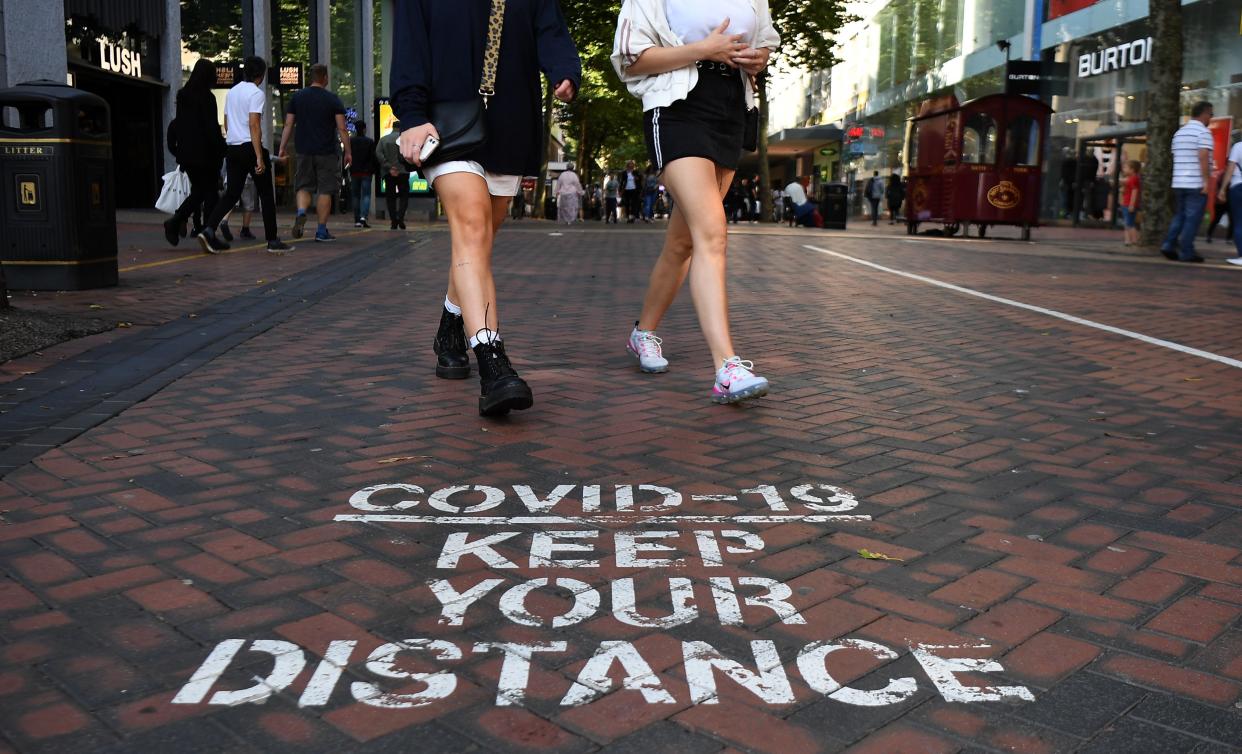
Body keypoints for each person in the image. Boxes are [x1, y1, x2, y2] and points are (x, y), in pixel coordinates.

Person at [392, 0, 580, 416]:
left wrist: (565, 71)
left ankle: (449, 328)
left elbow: (550, 30)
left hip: (510, 125)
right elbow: (409, 49)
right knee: (473, 227)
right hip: (444, 125)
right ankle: (493, 362)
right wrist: (410, 115)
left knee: (477, 243)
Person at [613, 0, 779, 404]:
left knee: (684, 242)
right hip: (676, 110)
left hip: (729, 111)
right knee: (712, 233)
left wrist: (757, 59)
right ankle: (726, 367)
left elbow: (765, 42)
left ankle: (644, 333)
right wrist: (704, 50)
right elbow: (631, 60)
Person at [198, 57, 289, 254]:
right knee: (265, 193)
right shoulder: (256, 94)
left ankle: (209, 230)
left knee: (232, 194)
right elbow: (254, 124)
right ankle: (272, 240)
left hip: (232, 147)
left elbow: (226, 121)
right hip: (249, 147)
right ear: (262, 75)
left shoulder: (232, 92)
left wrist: (234, 138)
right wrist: (258, 156)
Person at [278, 63, 352, 242]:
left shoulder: (298, 98)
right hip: (327, 151)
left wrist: (282, 147)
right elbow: (342, 128)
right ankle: (321, 231)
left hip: (303, 150)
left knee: (303, 186)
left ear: (311, 78)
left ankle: (302, 212)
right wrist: (348, 151)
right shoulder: (332, 99)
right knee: (325, 190)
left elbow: (289, 124)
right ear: (325, 78)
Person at [164, 60, 225, 247]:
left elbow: (181, 126)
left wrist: (179, 151)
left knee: (199, 191)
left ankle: (178, 221)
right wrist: (222, 149)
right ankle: (208, 233)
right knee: (210, 194)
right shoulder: (207, 98)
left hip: (188, 155)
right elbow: (211, 129)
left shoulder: (183, 95)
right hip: (206, 155)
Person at [1161, 101, 1215, 263]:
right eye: (1211, 115)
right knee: (1193, 219)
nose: (1211, 118)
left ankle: (1169, 244)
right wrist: (1206, 181)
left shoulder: (1179, 133)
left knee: (1180, 216)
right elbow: (1203, 156)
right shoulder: (1203, 133)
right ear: (1204, 113)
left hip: (1179, 182)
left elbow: (1175, 157)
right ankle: (1186, 251)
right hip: (1195, 183)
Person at [375, 120, 408, 230]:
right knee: (404, 196)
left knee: (390, 197)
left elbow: (378, 153)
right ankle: (401, 218)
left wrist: (389, 166)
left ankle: (393, 221)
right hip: (403, 171)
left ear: (392, 127)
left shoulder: (383, 140)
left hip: (388, 172)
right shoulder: (405, 139)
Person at [1217, 136, 1242, 266]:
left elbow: (1230, 169)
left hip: (1238, 187)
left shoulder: (1238, 147)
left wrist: (1222, 189)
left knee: (1239, 223)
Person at [349, 119, 377, 228]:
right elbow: (373, 158)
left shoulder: (351, 141)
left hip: (354, 171)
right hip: (366, 172)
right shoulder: (369, 142)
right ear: (364, 129)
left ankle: (356, 219)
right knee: (366, 195)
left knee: (355, 195)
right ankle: (363, 217)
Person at [1120, 160, 1141, 247]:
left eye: (1126, 168)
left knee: (1129, 223)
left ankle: (1134, 240)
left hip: (1128, 204)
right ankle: (1128, 240)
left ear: (1132, 170)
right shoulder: (1132, 178)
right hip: (1126, 203)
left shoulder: (1133, 179)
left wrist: (1131, 204)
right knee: (1128, 223)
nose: (1123, 169)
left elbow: (1134, 191)